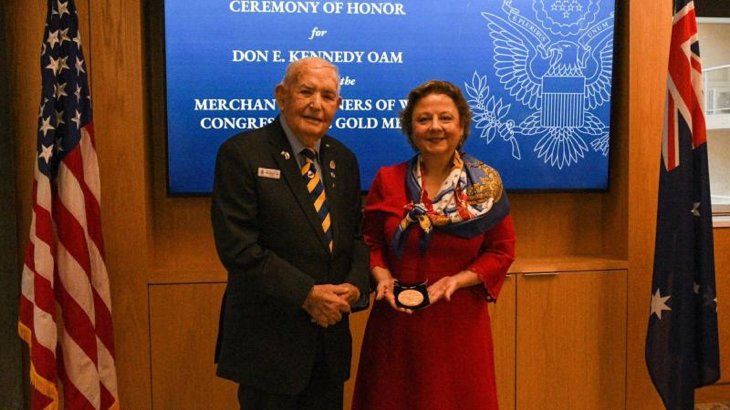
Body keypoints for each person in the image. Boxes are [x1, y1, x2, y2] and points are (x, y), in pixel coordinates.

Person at [211, 57, 370, 410]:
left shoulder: (344, 160)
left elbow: (357, 239)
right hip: (268, 347)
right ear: (282, 97)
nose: (317, 104)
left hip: (329, 347)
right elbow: (239, 249)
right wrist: (306, 295)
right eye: (306, 92)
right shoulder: (242, 154)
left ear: (338, 106)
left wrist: (356, 286)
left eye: (328, 96)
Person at [351, 80, 516, 410]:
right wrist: (382, 278)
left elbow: (502, 250)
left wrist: (457, 280)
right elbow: (368, 241)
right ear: (410, 129)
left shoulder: (485, 185)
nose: (435, 127)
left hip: (459, 324)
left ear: (461, 126)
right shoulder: (388, 179)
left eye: (445, 117)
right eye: (424, 119)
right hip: (396, 325)